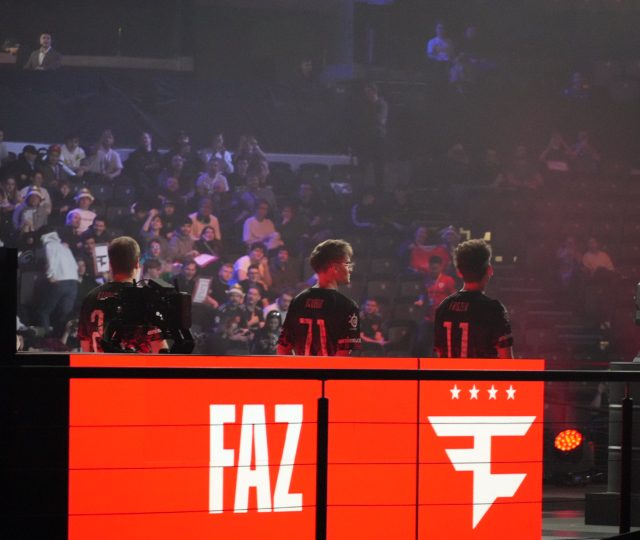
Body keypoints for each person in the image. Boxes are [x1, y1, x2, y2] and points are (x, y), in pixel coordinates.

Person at [78, 236, 168, 353]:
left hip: (97, 364)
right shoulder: (144, 299)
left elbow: (85, 345)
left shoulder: (90, 298)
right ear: (137, 264)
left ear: (110, 264)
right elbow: (161, 351)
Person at [277, 239, 361, 356]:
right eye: (347, 264)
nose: (350, 269)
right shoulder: (347, 306)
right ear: (334, 267)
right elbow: (344, 357)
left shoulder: (298, 301)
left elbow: (283, 348)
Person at [434, 239, 513, 358]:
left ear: (459, 272)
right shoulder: (494, 309)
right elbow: (507, 360)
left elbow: (439, 355)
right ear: (489, 270)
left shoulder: (443, 308)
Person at [37, 225, 79, 337]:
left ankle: (47, 339)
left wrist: (50, 275)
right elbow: (75, 265)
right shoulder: (64, 247)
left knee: (44, 312)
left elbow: (51, 261)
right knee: (66, 315)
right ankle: (66, 340)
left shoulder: (50, 245)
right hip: (73, 283)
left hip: (60, 282)